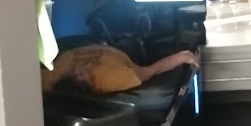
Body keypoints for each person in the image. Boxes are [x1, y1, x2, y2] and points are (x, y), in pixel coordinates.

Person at [41, 45, 199, 95]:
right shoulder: (108, 80)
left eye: (71, 72)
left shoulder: (49, 78)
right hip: (122, 54)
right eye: (81, 75)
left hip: (83, 43)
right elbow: (151, 71)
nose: (76, 69)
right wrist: (182, 56)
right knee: (134, 44)